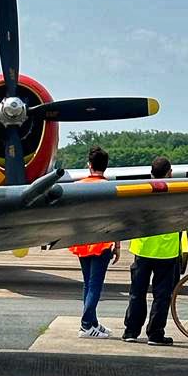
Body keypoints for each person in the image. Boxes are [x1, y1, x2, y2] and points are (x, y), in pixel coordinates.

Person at [122, 156, 187, 346]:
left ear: (151, 171)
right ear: (170, 173)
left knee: (137, 292)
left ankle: (131, 331)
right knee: (162, 295)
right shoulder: (176, 192)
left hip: (143, 249)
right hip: (166, 251)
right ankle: (155, 333)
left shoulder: (143, 190)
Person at [69, 145, 121, 338]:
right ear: (105, 166)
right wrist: (117, 244)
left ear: (89, 165)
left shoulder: (77, 186)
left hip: (82, 241)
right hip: (101, 242)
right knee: (95, 285)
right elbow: (115, 219)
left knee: (87, 284)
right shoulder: (109, 188)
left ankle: (92, 322)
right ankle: (85, 325)